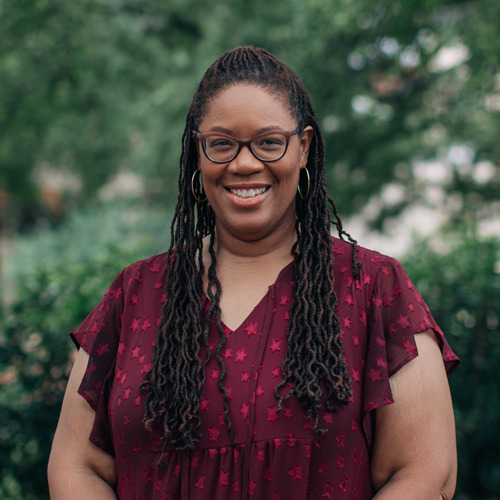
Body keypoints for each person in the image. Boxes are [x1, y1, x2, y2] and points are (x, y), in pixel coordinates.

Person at [48, 46, 459, 500]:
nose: (244, 164)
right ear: (197, 152)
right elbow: (75, 467)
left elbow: (422, 473)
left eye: (268, 142)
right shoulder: (134, 295)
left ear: (303, 148)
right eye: (222, 144)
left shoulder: (375, 289)